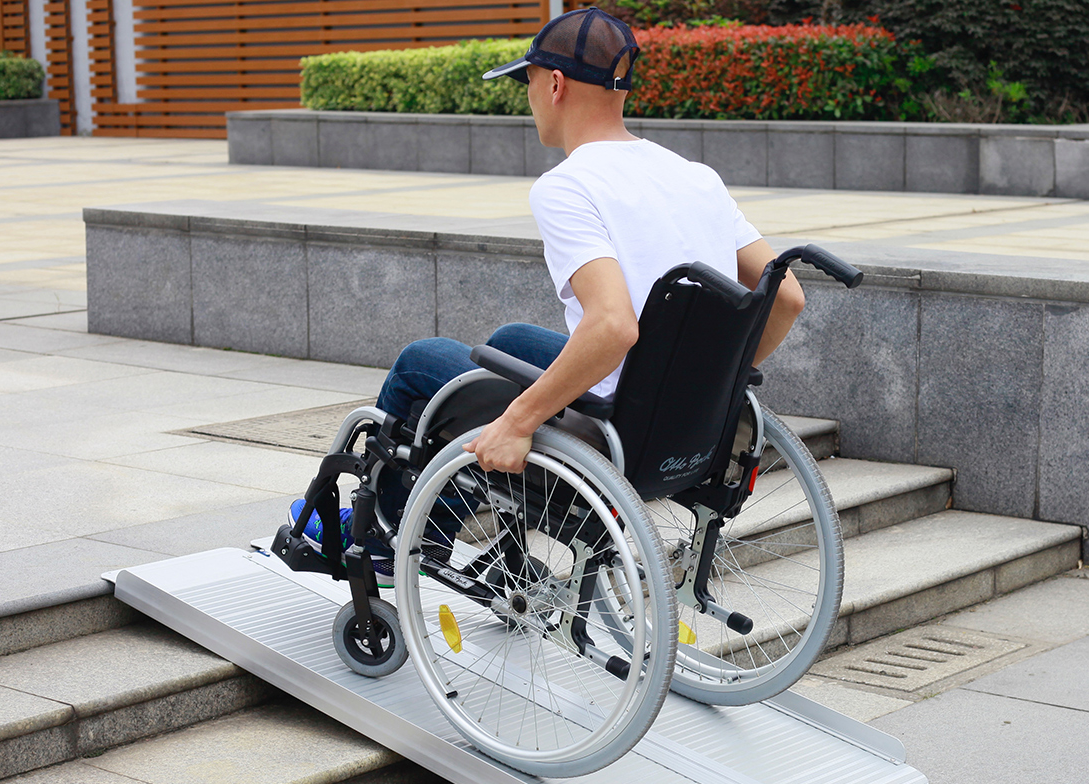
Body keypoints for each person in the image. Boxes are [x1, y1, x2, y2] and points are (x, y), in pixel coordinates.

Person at [290, 7, 807, 580]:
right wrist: (708, 388)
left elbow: (613, 326)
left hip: (615, 416)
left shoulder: (568, 186)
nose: (529, 97)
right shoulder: (695, 176)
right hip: (678, 420)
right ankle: (435, 520)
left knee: (419, 364)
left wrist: (517, 421)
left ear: (554, 84)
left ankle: (388, 533)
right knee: (508, 343)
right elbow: (786, 299)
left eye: (529, 81)